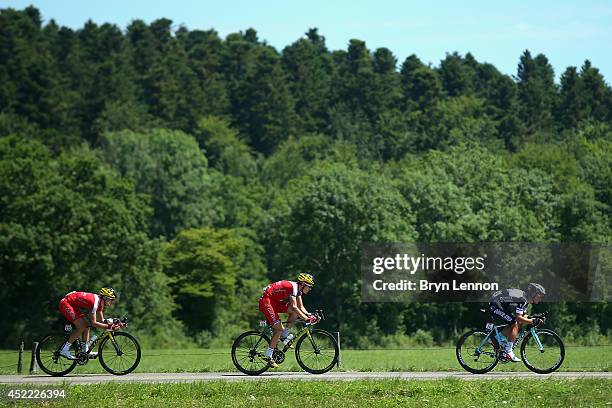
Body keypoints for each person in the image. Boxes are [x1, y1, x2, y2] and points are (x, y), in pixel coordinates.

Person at [258, 273, 319, 368]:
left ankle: (284, 334)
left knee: (294, 313)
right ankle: (268, 355)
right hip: (267, 301)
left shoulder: (298, 290)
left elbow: (300, 307)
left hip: (274, 301)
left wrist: (309, 315)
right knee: (279, 329)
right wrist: (306, 319)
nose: (310, 289)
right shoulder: (293, 288)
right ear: (303, 284)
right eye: (309, 286)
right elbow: (295, 307)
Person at [58, 287, 123, 359]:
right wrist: (109, 327)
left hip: (72, 305)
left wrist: (114, 322)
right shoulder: (95, 302)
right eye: (111, 300)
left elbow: (102, 320)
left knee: (87, 325)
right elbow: (94, 323)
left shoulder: (100, 304)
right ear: (105, 298)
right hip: (66, 303)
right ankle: (64, 349)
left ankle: (85, 350)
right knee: (82, 326)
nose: (112, 302)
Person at [488, 282, 546, 362]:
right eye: (540, 296)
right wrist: (532, 321)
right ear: (533, 294)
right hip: (495, 304)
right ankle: (508, 351)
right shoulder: (523, 299)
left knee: (515, 322)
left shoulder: (524, 299)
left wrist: (534, 317)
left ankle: (496, 339)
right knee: (515, 323)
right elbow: (519, 318)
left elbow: (522, 317)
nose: (541, 298)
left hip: (499, 303)